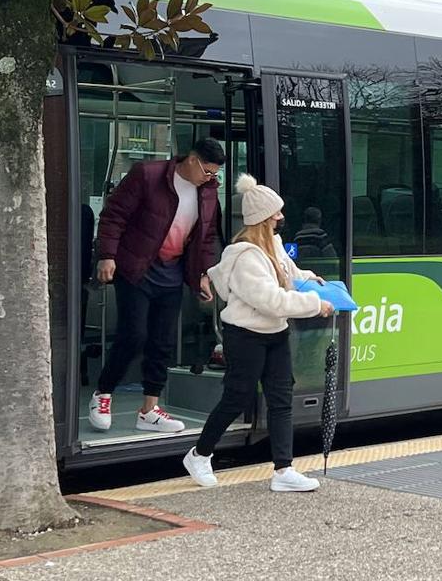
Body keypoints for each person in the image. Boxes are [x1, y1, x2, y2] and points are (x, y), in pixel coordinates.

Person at [183, 174, 335, 491]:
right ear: (263, 219)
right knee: (237, 397)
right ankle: (199, 454)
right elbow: (270, 300)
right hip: (246, 335)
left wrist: (311, 280)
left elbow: (289, 275)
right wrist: (314, 304)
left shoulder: (274, 245)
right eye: (276, 213)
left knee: (280, 399)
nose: (282, 217)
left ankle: (283, 470)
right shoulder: (244, 257)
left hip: (275, 333)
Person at [89, 137, 226, 434]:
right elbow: (114, 215)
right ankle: (103, 392)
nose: (211, 179)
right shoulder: (148, 175)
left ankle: (149, 410)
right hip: (136, 267)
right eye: (208, 171)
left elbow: (205, 238)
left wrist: (203, 274)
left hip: (172, 271)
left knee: (162, 341)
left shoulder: (209, 193)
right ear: (191, 160)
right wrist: (107, 255)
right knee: (134, 335)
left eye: (215, 175)